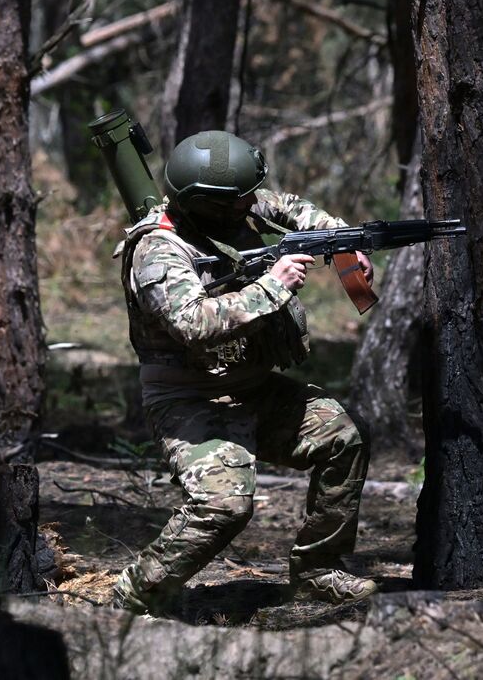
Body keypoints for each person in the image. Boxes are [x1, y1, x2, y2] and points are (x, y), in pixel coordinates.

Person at [111, 130, 377, 614]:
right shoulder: (158, 250)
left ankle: (319, 571)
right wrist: (272, 288)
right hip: (190, 400)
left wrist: (343, 240)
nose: (252, 204)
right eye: (241, 200)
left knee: (343, 437)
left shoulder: (237, 203)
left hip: (254, 387)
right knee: (224, 507)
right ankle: (131, 598)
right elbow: (191, 324)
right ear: (206, 204)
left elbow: (292, 208)